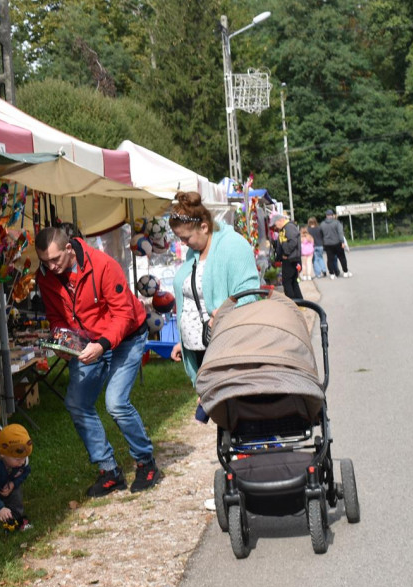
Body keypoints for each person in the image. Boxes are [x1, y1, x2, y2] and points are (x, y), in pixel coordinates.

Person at [34, 225, 159, 496]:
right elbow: (56, 316)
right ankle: (109, 470)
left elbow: (124, 315)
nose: (51, 267)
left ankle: (146, 462)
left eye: (55, 260)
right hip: (88, 342)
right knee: (77, 404)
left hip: (126, 337)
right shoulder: (45, 276)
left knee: (115, 403)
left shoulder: (103, 265)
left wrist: (102, 346)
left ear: (69, 249)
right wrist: (60, 339)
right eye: (45, 262)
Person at [167, 191, 260, 390]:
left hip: (226, 349)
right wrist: (183, 343)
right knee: (219, 411)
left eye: (186, 237)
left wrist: (224, 312)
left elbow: (250, 294)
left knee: (230, 409)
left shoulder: (233, 246)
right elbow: (193, 299)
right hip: (201, 349)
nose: (183, 243)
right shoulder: (195, 251)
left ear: (204, 226)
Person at [272, 212, 303, 300]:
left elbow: (293, 241)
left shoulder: (288, 227)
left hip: (290, 258)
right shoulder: (286, 228)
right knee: (293, 282)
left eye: (275, 224)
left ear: (280, 220)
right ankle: (300, 302)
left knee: (287, 282)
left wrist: (286, 253)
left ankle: (292, 303)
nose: (275, 227)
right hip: (290, 258)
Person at [320, 209, 352, 278]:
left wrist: (323, 243)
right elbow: (340, 233)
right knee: (342, 258)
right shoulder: (337, 223)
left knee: (330, 259)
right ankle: (345, 272)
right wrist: (342, 242)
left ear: (326, 216)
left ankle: (332, 274)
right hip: (337, 243)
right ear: (332, 215)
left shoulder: (322, 224)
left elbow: (321, 235)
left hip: (327, 244)